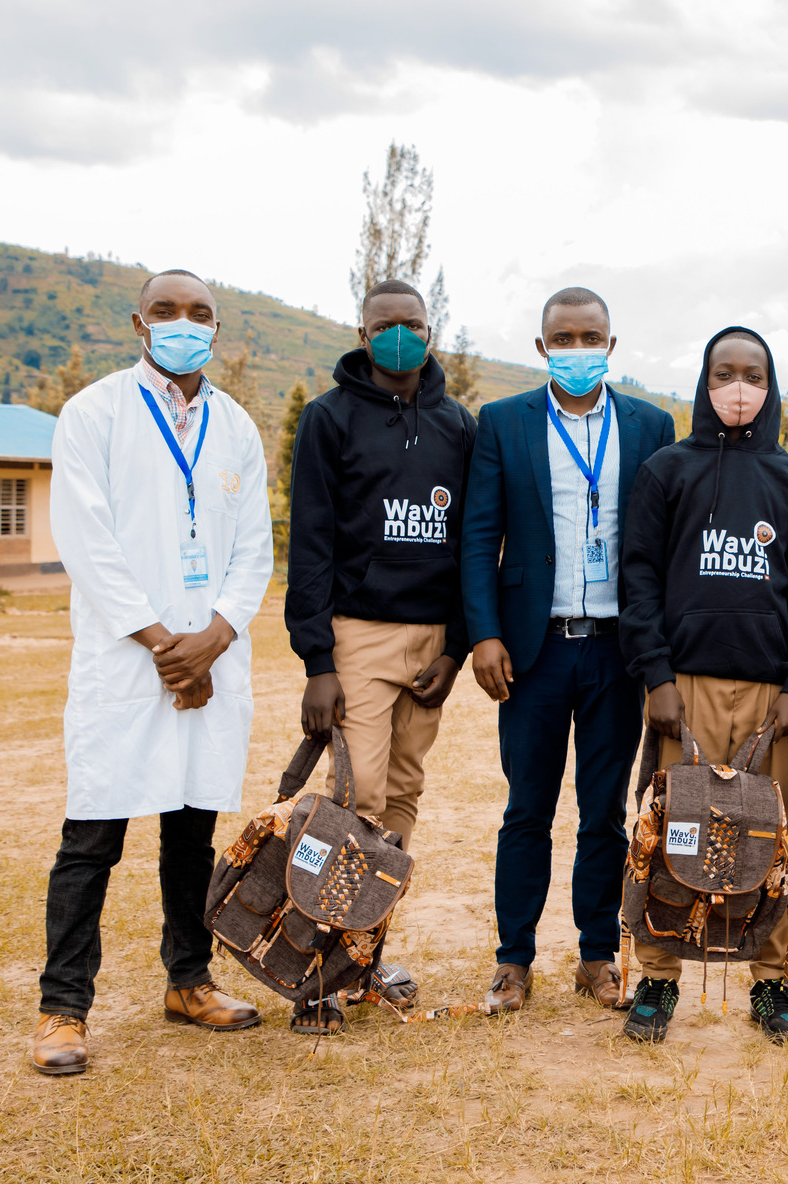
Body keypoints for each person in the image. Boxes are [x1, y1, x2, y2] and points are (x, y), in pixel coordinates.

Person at [32, 269, 273, 1075]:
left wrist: (214, 638)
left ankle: (188, 981)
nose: (183, 323)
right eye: (166, 311)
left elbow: (251, 550)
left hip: (210, 657)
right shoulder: (94, 412)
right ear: (140, 323)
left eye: (199, 312)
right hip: (126, 661)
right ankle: (63, 1008)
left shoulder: (236, 425)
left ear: (217, 328)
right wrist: (164, 644)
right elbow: (86, 537)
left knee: (191, 832)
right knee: (92, 838)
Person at [461, 287, 677, 1013]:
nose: (577, 348)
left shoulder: (651, 425)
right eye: (564, 337)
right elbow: (477, 538)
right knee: (526, 808)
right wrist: (485, 635)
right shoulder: (502, 423)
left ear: (611, 347)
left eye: (591, 337)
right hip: (533, 651)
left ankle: (595, 955)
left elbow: (664, 542)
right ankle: (512, 959)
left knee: (602, 814)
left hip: (617, 651)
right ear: (541, 345)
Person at [617, 326, 788, 1044]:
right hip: (686, 683)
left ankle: (772, 984)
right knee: (671, 831)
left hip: (771, 690)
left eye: (754, 376)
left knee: (771, 837)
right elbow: (639, 578)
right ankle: (657, 976)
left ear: (771, 388)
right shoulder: (666, 471)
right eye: (724, 373)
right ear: (704, 383)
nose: (739, 388)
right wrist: (657, 678)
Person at [283, 278, 475, 1034]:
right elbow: (312, 542)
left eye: (415, 323)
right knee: (350, 803)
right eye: (386, 324)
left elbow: (471, 545)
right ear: (362, 334)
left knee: (399, 803)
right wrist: (318, 660)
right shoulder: (328, 420)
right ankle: (318, 975)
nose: (401, 334)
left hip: (432, 638)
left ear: (432, 332)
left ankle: (364, 955)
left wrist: (456, 650)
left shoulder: (458, 425)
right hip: (357, 633)